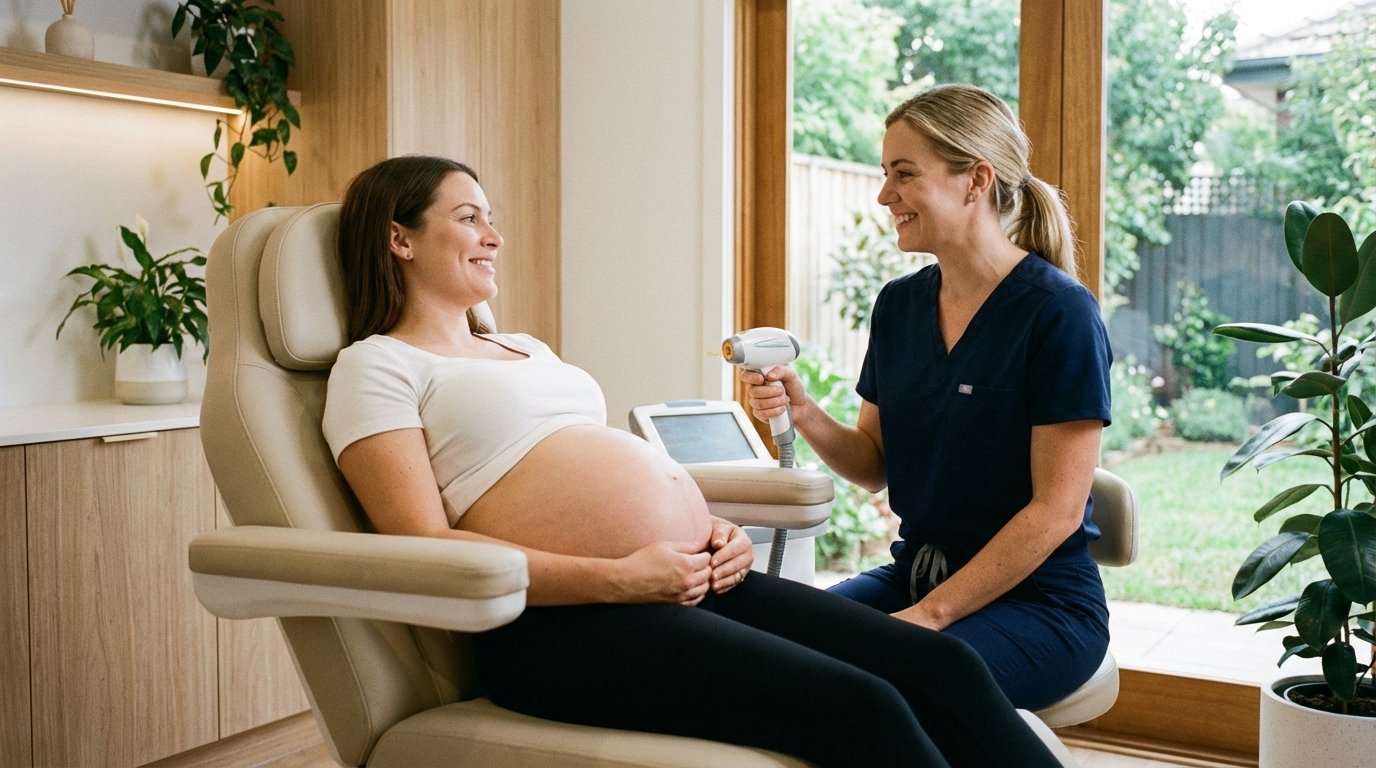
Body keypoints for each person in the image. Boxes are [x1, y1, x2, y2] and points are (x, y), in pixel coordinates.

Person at [321, 154, 1062, 767]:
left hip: (685, 584)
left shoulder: (524, 349)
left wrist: (709, 528)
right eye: (468, 217)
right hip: (557, 630)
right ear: (400, 239)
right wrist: (613, 578)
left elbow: (582, 480)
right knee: (861, 706)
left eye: (491, 216)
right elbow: (423, 543)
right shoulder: (376, 366)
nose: (494, 235)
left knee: (942, 667)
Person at [741, 84, 1112, 711]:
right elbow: (874, 464)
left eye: (904, 175)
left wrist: (930, 616)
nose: (885, 196)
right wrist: (801, 410)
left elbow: (1056, 512)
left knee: (881, 690)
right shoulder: (900, 305)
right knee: (763, 651)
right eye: (886, 175)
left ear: (976, 180)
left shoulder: (1059, 314)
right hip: (914, 575)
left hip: (1041, 604)